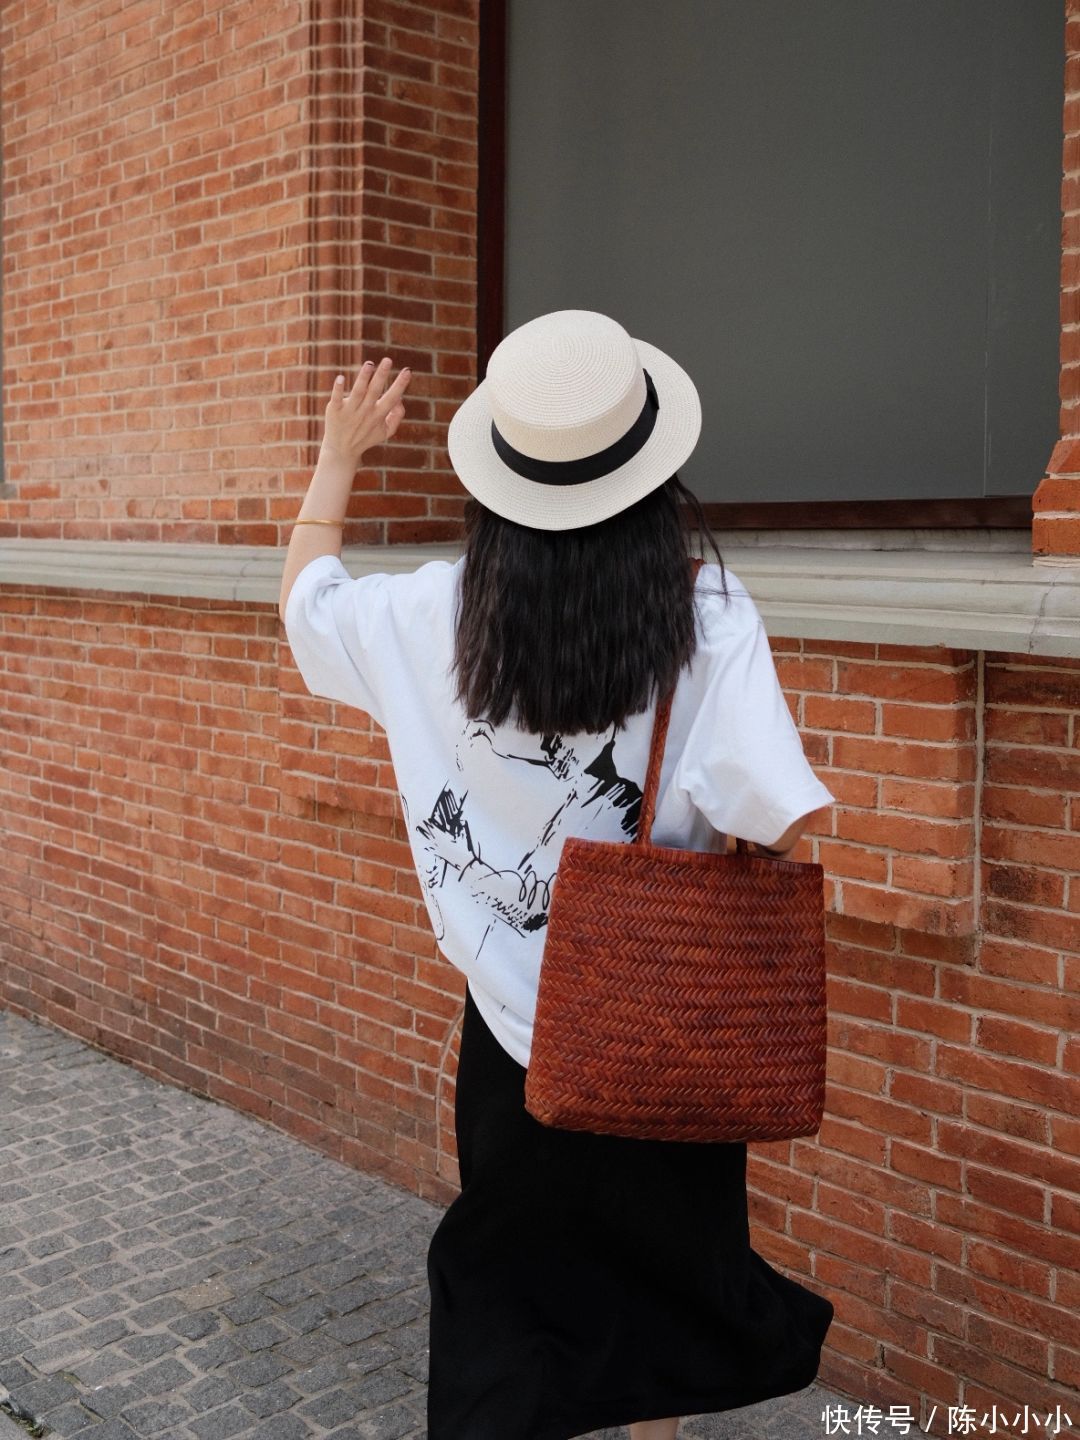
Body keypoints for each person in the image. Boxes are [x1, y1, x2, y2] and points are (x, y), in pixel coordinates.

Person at [279, 309, 837, 1440]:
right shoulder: (707, 617)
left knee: (512, 1293)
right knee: (668, 1287)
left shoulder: (432, 612)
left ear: (501, 475)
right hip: (663, 1020)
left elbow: (307, 608)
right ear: (649, 470)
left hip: (511, 1033)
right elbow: (782, 817)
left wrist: (338, 458)